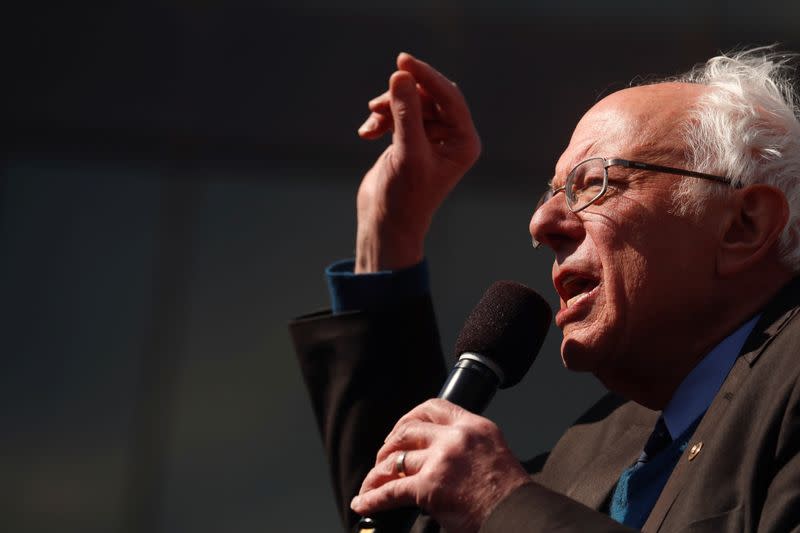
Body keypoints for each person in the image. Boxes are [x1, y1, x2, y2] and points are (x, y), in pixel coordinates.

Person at [290, 48, 800, 532]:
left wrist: (500, 501)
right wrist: (390, 230)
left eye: (592, 184)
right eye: (553, 193)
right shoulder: (603, 441)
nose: (542, 222)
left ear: (744, 226)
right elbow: (409, 522)